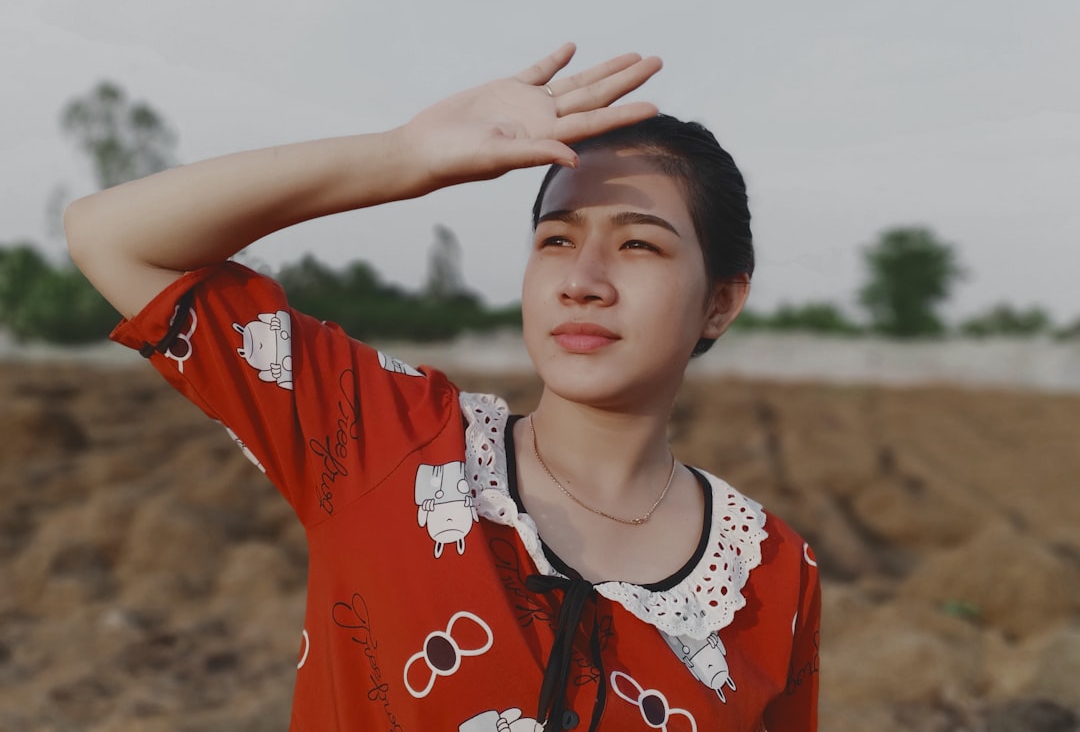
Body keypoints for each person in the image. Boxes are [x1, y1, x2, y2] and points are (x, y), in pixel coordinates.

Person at [66, 44, 819, 731]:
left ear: (720, 301)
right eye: (556, 239)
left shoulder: (773, 577)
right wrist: (403, 157)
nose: (582, 282)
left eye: (638, 244)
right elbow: (112, 237)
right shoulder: (384, 441)